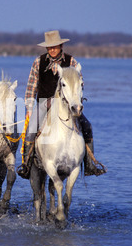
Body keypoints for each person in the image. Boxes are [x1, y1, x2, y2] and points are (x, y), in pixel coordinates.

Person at [17, 30, 106, 179]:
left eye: (55, 46)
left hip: (67, 104)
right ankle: (26, 165)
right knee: (31, 128)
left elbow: (79, 85)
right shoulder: (38, 62)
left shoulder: (72, 62)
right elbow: (31, 87)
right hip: (44, 103)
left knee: (87, 126)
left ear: (61, 46)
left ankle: (90, 165)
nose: (51, 50)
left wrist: (75, 101)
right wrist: (30, 109)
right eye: (49, 47)